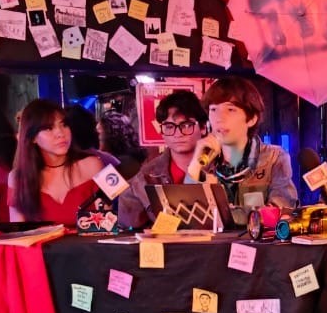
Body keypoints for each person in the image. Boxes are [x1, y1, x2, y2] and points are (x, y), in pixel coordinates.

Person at [193, 77, 297, 213]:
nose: (219, 118)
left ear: (251, 119)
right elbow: (186, 212)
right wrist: (195, 164)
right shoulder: (204, 159)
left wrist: (228, 214)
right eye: (213, 110)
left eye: (230, 109)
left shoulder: (274, 157)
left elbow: (282, 209)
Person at [118, 90, 208, 229]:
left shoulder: (221, 170)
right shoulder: (146, 176)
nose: (178, 134)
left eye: (186, 125)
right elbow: (127, 226)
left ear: (203, 128)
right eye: (169, 127)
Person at [9, 99, 105, 226]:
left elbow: (107, 224)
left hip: (92, 239)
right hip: (41, 240)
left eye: (64, 125)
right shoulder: (17, 178)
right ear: (33, 138)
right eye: (49, 128)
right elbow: (18, 231)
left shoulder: (94, 165)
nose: (60, 133)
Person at [98, 110, 147, 181]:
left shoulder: (125, 163)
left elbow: (107, 186)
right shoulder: (124, 160)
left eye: (98, 133)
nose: (94, 137)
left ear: (113, 135)